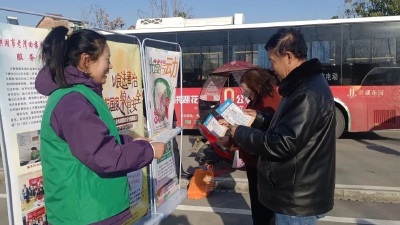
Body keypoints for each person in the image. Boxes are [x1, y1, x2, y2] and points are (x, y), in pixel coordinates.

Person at [36, 26, 167, 225]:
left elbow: (92, 142)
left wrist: (130, 141)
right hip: (85, 214)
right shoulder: (72, 101)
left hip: (94, 209)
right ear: (86, 61)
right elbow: (103, 156)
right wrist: (147, 151)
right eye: (107, 59)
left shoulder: (79, 95)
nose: (110, 65)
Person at [229, 28, 336, 225]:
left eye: (272, 61)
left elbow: (283, 143)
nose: (272, 68)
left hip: (296, 199)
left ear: (288, 57)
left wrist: (241, 132)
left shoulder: (307, 93)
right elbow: (289, 128)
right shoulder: (302, 87)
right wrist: (259, 118)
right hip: (295, 193)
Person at [220, 68, 281, 225]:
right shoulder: (257, 99)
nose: (243, 92)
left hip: (262, 161)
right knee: (256, 200)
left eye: (245, 89)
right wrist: (230, 125)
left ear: (256, 86)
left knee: (263, 204)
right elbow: (246, 123)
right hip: (253, 159)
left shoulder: (271, 102)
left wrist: (232, 141)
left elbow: (258, 130)